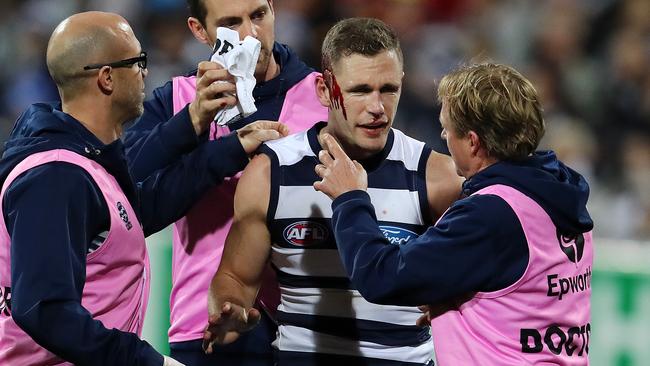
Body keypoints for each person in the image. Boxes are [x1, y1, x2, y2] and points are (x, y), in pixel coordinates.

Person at [0, 11, 287, 366]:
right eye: (138, 61)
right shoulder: (55, 175)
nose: (146, 72)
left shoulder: (85, 164)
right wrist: (147, 361)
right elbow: (43, 309)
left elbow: (142, 210)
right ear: (107, 78)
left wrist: (230, 147)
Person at [203, 18, 462, 365]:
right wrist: (230, 309)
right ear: (324, 90)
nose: (377, 107)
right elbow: (236, 277)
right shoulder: (271, 171)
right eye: (359, 90)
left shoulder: (438, 177)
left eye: (388, 89)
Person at [313, 63, 594, 365]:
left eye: (447, 128)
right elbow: (518, 294)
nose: (444, 136)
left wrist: (350, 198)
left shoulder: (492, 212)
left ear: (473, 142)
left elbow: (380, 276)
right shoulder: (561, 196)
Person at [122, 1, 327, 364]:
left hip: (312, 326)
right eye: (231, 23)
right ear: (200, 31)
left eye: (259, 15)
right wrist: (194, 123)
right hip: (209, 326)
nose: (250, 34)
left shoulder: (324, 96)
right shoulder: (179, 100)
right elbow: (121, 192)